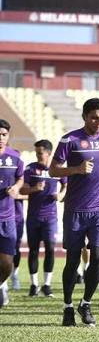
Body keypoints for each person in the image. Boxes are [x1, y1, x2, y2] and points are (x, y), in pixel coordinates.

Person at [50, 97, 99, 326]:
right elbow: (53, 170)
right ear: (85, 117)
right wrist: (76, 169)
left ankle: (85, 303)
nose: (98, 122)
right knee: (72, 261)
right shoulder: (70, 140)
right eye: (94, 118)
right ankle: (68, 306)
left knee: (98, 258)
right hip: (75, 210)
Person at [21, 139, 67, 297]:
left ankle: (47, 285)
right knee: (33, 251)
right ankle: (34, 285)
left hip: (50, 218)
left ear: (48, 153)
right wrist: (35, 188)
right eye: (36, 153)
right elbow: (23, 189)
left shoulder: (56, 169)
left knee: (50, 250)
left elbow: (65, 184)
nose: (37, 156)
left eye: (40, 153)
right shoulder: (30, 169)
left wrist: (60, 195)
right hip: (33, 217)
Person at [0, 119, 24, 308]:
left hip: (8, 219)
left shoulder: (14, 157)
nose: (1, 138)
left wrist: (16, 187)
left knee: (7, 262)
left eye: (4, 134)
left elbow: (21, 178)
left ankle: (2, 284)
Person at [10, 196, 25, 290]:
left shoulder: (19, 180)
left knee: (15, 249)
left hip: (16, 218)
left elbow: (27, 192)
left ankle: (14, 276)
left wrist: (16, 194)